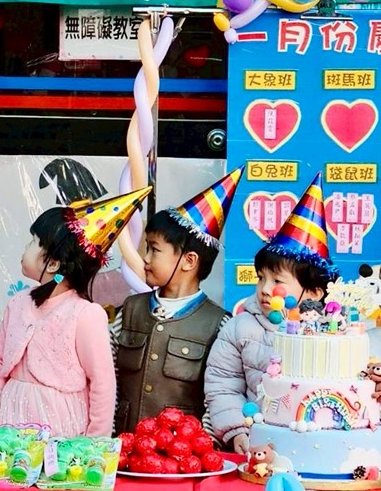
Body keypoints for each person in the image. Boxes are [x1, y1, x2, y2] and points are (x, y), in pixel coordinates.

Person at [0, 187, 150, 436]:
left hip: (62, 431)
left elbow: (102, 382)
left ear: (53, 263)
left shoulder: (85, 315)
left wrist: (95, 443)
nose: (26, 246)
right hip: (10, 424)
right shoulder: (17, 304)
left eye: (33, 241)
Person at [205, 172, 338, 454]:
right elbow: (223, 386)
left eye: (277, 281)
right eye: (261, 278)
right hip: (258, 445)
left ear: (314, 292)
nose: (265, 289)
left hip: (322, 449)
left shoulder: (337, 335)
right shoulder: (239, 328)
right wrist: (237, 430)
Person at [112, 169, 242, 434]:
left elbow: (217, 396)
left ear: (189, 261)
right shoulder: (129, 310)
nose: (145, 258)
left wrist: (204, 446)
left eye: (154, 249)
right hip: (123, 447)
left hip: (181, 454)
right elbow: (108, 378)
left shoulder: (219, 325)